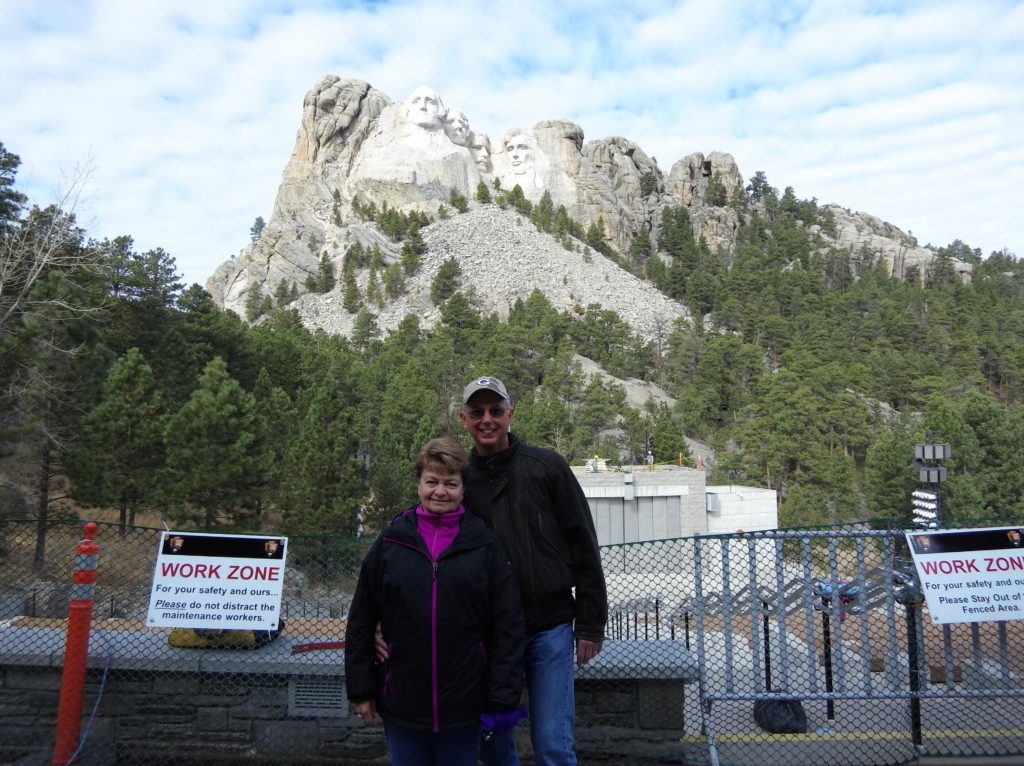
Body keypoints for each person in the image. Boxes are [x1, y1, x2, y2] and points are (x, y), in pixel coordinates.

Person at [345, 437, 526, 766]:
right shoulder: (391, 543)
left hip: (466, 705)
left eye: (450, 483)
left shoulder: (484, 545)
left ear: (463, 487)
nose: (440, 491)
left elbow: (508, 625)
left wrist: (502, 698)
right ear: (418, 484)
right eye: (431, 481)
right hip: (402, 703)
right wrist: (361, 690)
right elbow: (361, 618)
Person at [459, 376, 608, 766]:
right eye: (478, 412)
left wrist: (591, 623)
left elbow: (584, 544)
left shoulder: (547, 466)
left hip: (549, 626)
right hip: (489, 632)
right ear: (464, 419)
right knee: (493, 742)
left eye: (496, 410)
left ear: (511, 413)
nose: (487, 419)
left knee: (554, 746)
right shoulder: (458, 480)